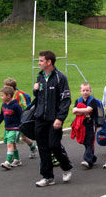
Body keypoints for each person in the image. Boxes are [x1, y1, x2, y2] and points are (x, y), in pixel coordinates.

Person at [33, 50, 72, 187]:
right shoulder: (40, 76)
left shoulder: (60, 77)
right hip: (40, 118)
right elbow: (39, 98)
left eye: (41, 60)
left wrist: (60, 118)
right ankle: (48, 177)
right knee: (42, 147)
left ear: (49, 62)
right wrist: (35, 90)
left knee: (54, 145)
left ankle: (66, 166)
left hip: (54, 119)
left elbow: (66, 100)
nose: (38, 63)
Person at [3, 78, 37, 159]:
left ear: (11, 88)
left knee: (21, 137)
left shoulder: (19, 95)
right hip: (13, 121)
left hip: (20, 120)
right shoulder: (7, 96)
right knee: (22, 137)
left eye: (5, 87)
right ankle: (32, 147)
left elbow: (25, 108)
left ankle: (15, 158)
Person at [0, 86, 23, 170]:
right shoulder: (4, 105)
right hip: (7, 128)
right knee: (13, 144)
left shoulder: (16, 106)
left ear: (8, 96)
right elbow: (1, 115)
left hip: (15, 128)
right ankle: (17, 159)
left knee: (9, 144)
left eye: (2, 96)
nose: (1, 97)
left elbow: (21, 116)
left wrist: (21, 126)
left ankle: (7, 162)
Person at [72, 83, 98, 169]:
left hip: (91, 124)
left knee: (89, 142)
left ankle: (88, 161)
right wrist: (83, 111)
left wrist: (79, 110)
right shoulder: (78, 100)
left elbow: (89, 109)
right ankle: (92, 157)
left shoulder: (92, 101)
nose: (85, 92)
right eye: (83, 90)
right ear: (80, 91)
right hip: (82, 125)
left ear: (90, 91)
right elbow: (74, 112)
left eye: (87, 90)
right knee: (85, 142)